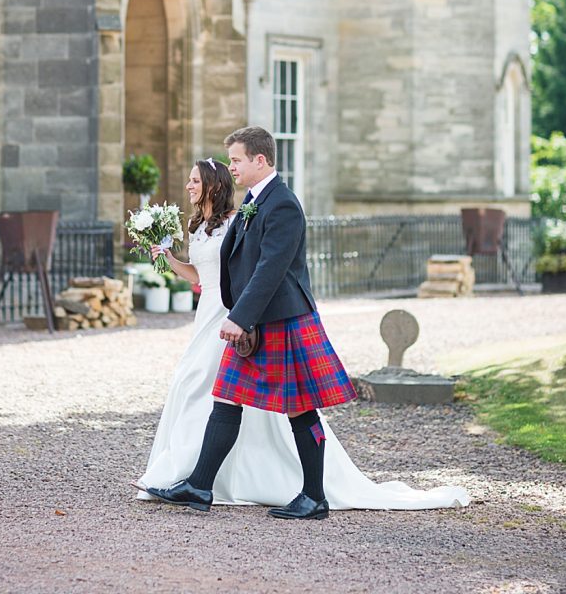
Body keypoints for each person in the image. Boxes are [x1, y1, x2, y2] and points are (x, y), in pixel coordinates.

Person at [139, 129, 470, 517]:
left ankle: (315, 496)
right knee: (225, 398)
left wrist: (238, 317)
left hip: (283, 319)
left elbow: (271, 269)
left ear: (259, 160)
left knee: (300, 407)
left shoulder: (283, 205)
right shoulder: (253, 201)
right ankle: (199, 486)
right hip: (256, 320)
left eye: (237, 160)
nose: (231, 167)